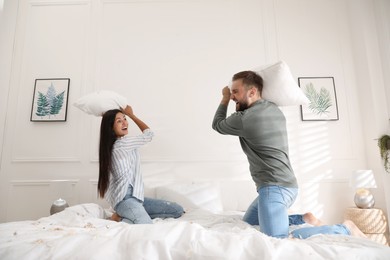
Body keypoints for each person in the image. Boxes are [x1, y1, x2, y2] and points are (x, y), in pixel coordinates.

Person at [211, 71, 367, 239]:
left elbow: (217, 124)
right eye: (231, 92)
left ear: (252, 92)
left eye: (235, 91)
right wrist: (238, 102)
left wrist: (225, 98)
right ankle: (303, 218)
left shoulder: (245, 118)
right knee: (249, 222)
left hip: (274, 188)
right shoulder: (273, 108)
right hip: (288, 187)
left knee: (277, 238)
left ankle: (344, 229)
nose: (232, 95)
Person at [98, 105, 184, 224]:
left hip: (137, 197)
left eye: (125, 118)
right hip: (126, 200)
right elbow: (149, 134)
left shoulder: (116, 144)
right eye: (119, 121)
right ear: (110, 127)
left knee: (177, 210)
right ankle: (120, 217)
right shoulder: (122, 145)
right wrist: (132, 115)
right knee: (145, 224)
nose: (125, 123)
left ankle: (129, 214)